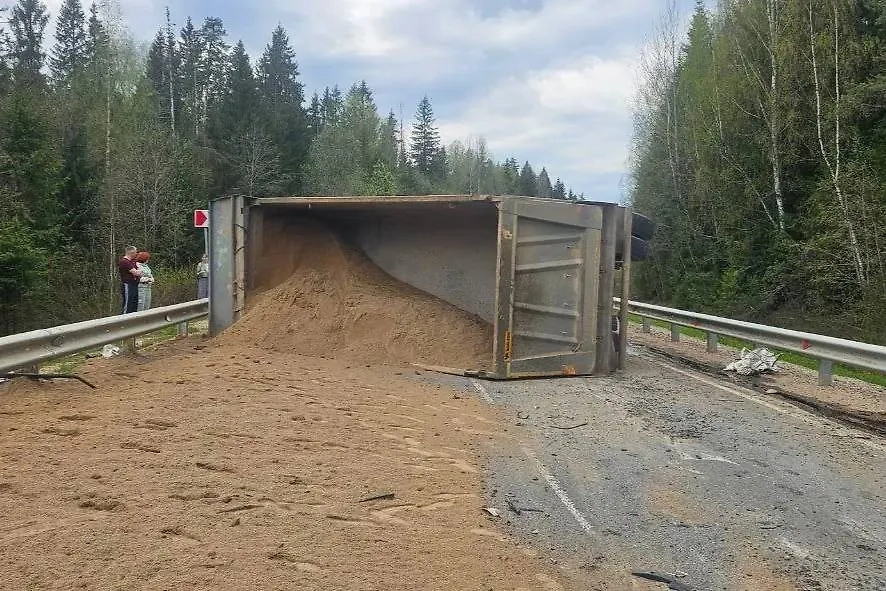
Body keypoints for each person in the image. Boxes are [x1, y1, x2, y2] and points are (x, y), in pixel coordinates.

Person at [118, 246, 142, 314]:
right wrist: (139, 270)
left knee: (134, 304)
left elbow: (139, 273)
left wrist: (138, 271)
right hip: (128, 285)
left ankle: (133, 319)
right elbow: (136, 272)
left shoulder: (132, 262)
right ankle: (124, 319)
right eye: (135, 252)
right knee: (128, 304)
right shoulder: (124, 262)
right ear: (132, 252)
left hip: (135, 284)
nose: (136, 254)